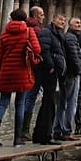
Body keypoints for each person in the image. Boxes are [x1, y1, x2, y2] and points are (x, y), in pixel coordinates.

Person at [0, 9, 39, 147]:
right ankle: (17, 138)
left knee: (3, 103)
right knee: (20, 104)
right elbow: (37, 49)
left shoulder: (4, 33)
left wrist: (0, 72)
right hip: (22, 71)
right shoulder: (29, 32)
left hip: (7, 71)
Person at [28, 10, 65, 145]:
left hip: (53, 73)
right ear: (53, 19)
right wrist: (51, 66)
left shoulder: (57, 34)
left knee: (49, 104)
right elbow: (44, 50)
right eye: (60, 19)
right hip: (48, 72)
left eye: (64, 21)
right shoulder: (47, 32)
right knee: (49, 103)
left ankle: (40, 133)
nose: (63, 22)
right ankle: (45, 135)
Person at [54, 15, 81, 141]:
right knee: (71, 102)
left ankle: (58, 130)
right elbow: (74, 56)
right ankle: (66, 131)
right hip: (71, 74)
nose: (79, 24)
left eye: (80, 23)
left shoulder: (67, 37)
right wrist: (78, 70)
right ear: (70, 25)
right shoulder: (71, 38)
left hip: (66, 73)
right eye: (76, 22)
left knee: (62, 102)